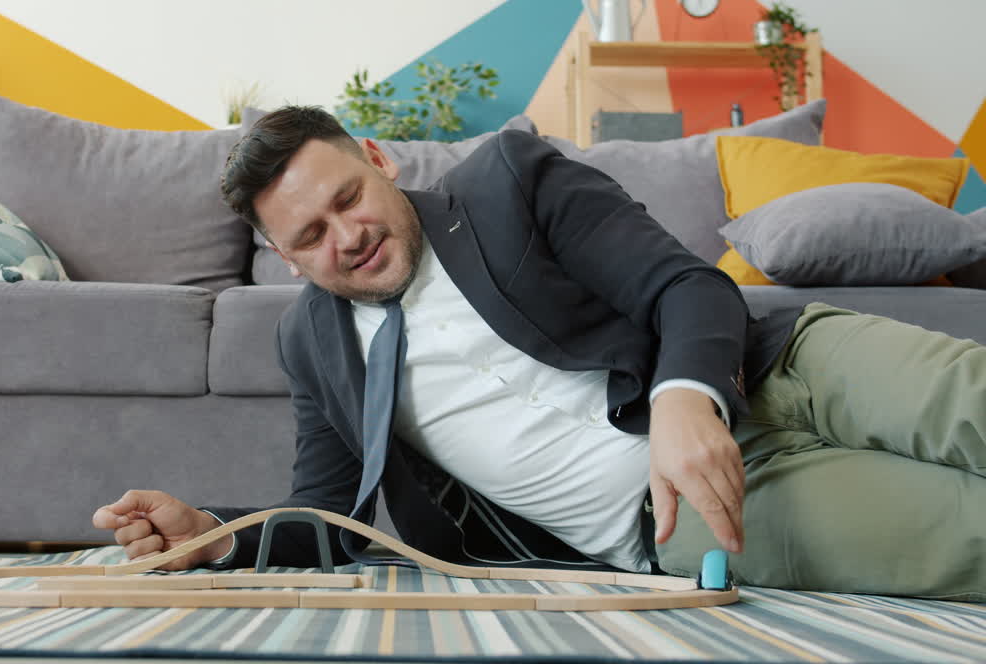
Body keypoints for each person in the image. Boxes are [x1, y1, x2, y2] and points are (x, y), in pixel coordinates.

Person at [93, 106, 986, 599]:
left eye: (348, 198)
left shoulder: (509, 180)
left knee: (967, 398)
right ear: (285, 260)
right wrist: (214, 536)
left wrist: (685, 396)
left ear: (378, 160)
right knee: (959, 530)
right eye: (311, 236)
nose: (348, 236)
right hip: (676, 518)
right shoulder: (310, 344)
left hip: (779, 365)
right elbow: (329, 516)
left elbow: (684, 284)